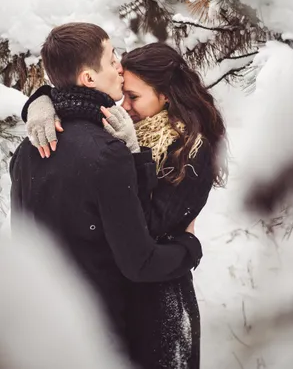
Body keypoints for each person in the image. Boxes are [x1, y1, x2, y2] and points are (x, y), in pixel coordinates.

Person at [22, 40, 227, 368]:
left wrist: (133, 154)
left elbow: (146, 227)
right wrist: (41, 101)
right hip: (121, 302)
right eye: (123, 94)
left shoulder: (190, 150)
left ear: (166, 95)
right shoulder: (116, 129)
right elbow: (78, 94)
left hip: (161, 300)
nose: (124, 105)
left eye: (134, 97)